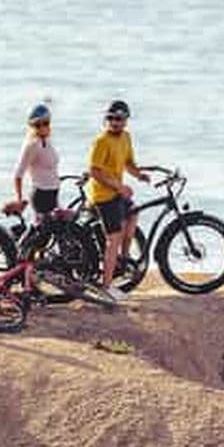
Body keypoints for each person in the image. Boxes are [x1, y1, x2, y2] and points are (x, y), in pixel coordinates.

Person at [87, 100, 150, 302]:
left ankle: (123, 259)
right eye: (111, 118)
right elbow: (94, 171)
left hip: (116, 193)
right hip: (103, 196)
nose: (115, 122)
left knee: (133, 213)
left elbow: (128, 163)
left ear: (126, 120)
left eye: (119, 119)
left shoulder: (126, 137)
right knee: (113, 238)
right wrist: (120, 187)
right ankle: (106, 287)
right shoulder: (102, 141)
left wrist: (139, 175)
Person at [7, 103, 60, 220]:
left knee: (58, 229)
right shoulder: (32, 145)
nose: (42, 128)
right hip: (41, 195)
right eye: (37, 125)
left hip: (53, 192)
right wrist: (19, 199)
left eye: (45, 123)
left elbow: (50, 168)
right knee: (43, 229)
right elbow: (18, 174)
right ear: (32, 127)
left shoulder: (47, 142)